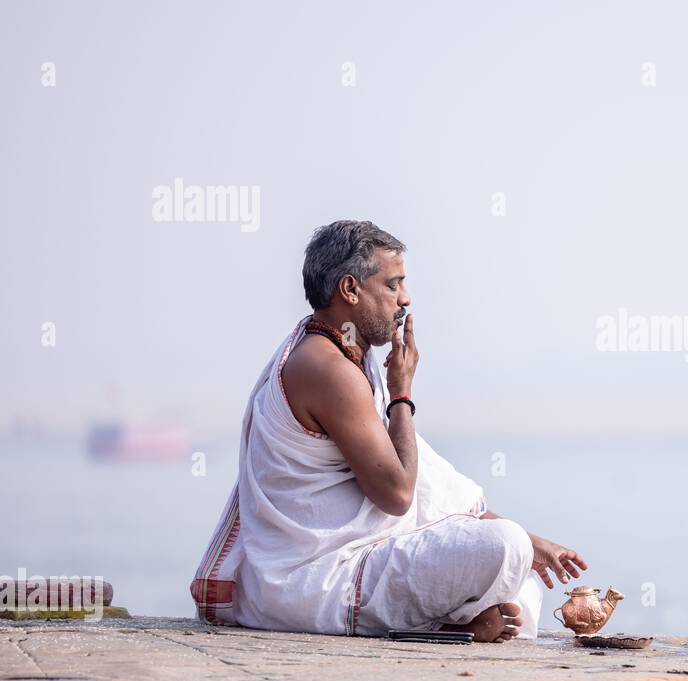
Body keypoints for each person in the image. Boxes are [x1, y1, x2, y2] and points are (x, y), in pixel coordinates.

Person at [190, 220, 586, 642]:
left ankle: (456, 623)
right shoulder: (328, 369)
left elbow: (430, 484)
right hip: (317, 580)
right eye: (393, 284)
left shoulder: (345, 359)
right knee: (504, 547)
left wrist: (532, 540)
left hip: (347, 565)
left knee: (521, 577)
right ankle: (447, 627)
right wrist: (401, 394)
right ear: (350, 289)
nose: (406, 299)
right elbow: (398, 495)